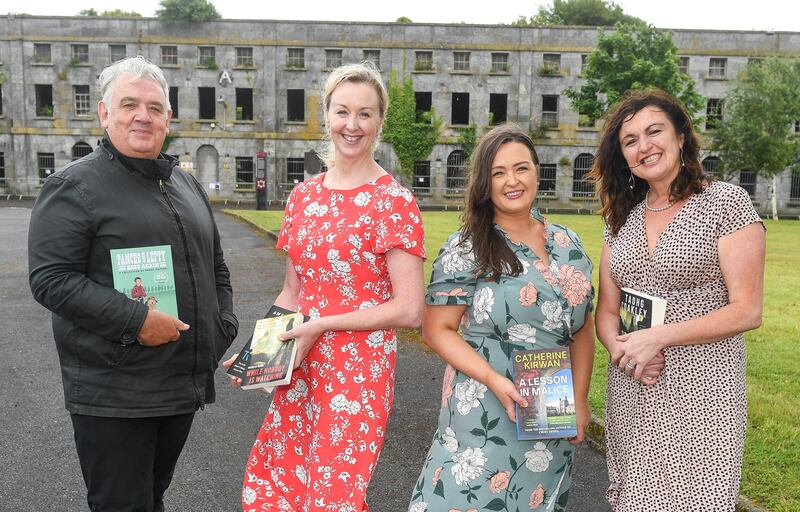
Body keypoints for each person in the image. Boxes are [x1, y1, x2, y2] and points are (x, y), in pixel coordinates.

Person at [28, 56, 238, 512]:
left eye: (154, 106)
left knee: (151, 497)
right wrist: (137, 319)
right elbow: (51, 280)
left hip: (180, 385)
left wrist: (223, 325)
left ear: (168, 117)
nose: (142, 115)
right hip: (114, 392)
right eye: (128, 104)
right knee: (122, 504)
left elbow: (215, 266)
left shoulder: (186, 185)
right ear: (104, 114)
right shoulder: (73, 186)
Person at [234, 62, 425, 511]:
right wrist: (259, 353)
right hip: (300, 364)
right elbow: (291, 293)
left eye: (364, 114)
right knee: (275, 486)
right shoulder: (304, 196)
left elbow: (409, 309)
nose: (352, 125)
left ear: (380, 121)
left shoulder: (393, 201)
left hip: (358, 372)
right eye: (342, 112)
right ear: (327, 116)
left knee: (332, 495)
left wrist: (322, 324)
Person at [591, 89, 766, 511]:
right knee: (632, 498)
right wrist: (625, 349)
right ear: (623, 156)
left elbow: (748, 309)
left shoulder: (725, 203)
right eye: (630, 140)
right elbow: (607, 311)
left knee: (695, 498)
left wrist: (658, 338)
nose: (644, 146)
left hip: (703, 387)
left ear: (681, 137)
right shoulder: (622, 218)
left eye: (655, 132)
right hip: (634, 380)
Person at [407, 125, 595, 512]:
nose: (512, 181)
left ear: (537, 171)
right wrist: (493, 379)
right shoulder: (467, 247)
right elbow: (436, 328)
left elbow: (581, 327)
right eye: (499, 172)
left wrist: (579, 398)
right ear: (484, 182)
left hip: (549, 413)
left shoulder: (568, 243)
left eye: (521, 168)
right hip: (483, 407)